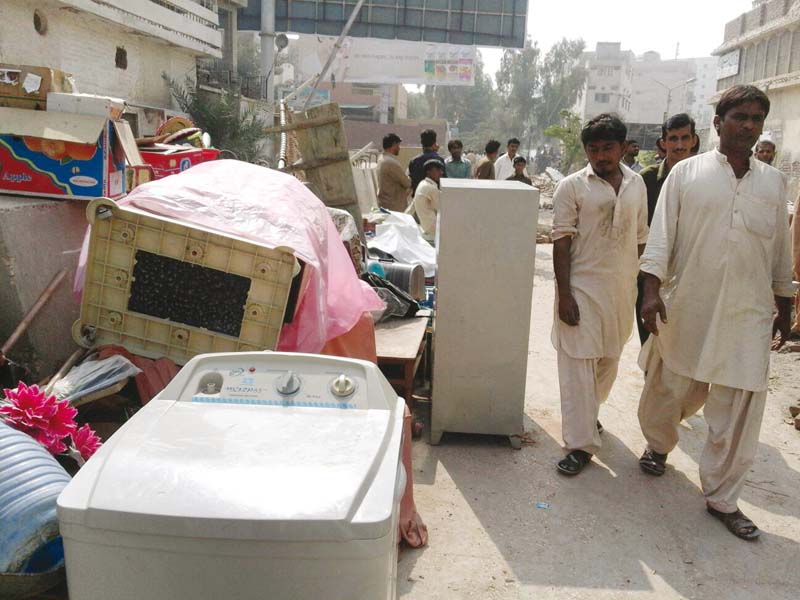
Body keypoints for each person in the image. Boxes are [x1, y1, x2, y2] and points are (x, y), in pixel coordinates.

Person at [637, 85, 793, 541]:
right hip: (690, 302)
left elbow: (780, 252)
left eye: (756, 119)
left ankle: (723, 498)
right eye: (740, 117)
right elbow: (660, 238)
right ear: (718, 122)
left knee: (740, 404)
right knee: (671, 385)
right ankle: (659, 445)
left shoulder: (773, 181)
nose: (749, 126)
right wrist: (650, 291)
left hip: (748, 310)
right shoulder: (685, 174)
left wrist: (785, 306)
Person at [551, 114, 648, 476]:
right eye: (593, 149)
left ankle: (589, 416)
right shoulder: (571, 187)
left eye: (608, 148)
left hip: (621, 292)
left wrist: (644, 289)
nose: (601, 155)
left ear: (623, 147)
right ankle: (579, 444)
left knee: (609, 361)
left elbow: (641, 239)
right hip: (580, 290)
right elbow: (561, 242)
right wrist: (564, 295)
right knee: (577, 367)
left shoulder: (637, 185)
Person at [635, 114, 698, 344]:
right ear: (663, 142)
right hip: (650, 274)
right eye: (673, 138)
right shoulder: (646, 179)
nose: (679, 145)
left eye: (685, 138)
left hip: (689, 272)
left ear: (694, 140)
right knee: (650, 343)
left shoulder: (704, 178)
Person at [376, 133, 412, 212]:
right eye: (398, 145)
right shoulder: (391, 163)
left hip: (385, 204)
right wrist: (410, 176)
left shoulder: (381, 159)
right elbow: (407, 183)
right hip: (394, 207)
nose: (399, 148)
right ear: (394, 144)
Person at [411, 159, 444, 241]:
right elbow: (441, 208)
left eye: (441, 170)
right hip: (433, 228)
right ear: (428, 172)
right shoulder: (430, 188)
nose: (441, 173)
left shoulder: (423, 183)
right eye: (437, 170)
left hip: (425, 225)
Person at [408, 129, 444, 194]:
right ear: (434, 142)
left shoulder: (414, 161)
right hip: (434, 198)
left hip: (418, 196)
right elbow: (443, 181)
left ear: (421, 142)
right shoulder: (439, 160)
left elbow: (411, 181)